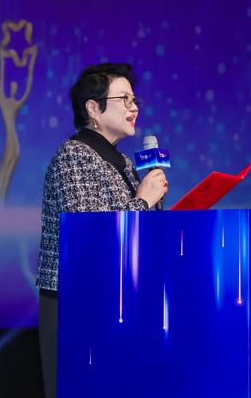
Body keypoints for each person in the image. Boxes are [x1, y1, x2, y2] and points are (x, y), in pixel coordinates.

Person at [35, 63, 168, 398]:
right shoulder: (74, 155)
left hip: (120, 295)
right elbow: (89, 235)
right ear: (93, 108)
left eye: (135, 100)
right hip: (77, 299)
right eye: (124, 99)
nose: (134, 107)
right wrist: (143, 200)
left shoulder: (125, 163)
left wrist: (155, 203)